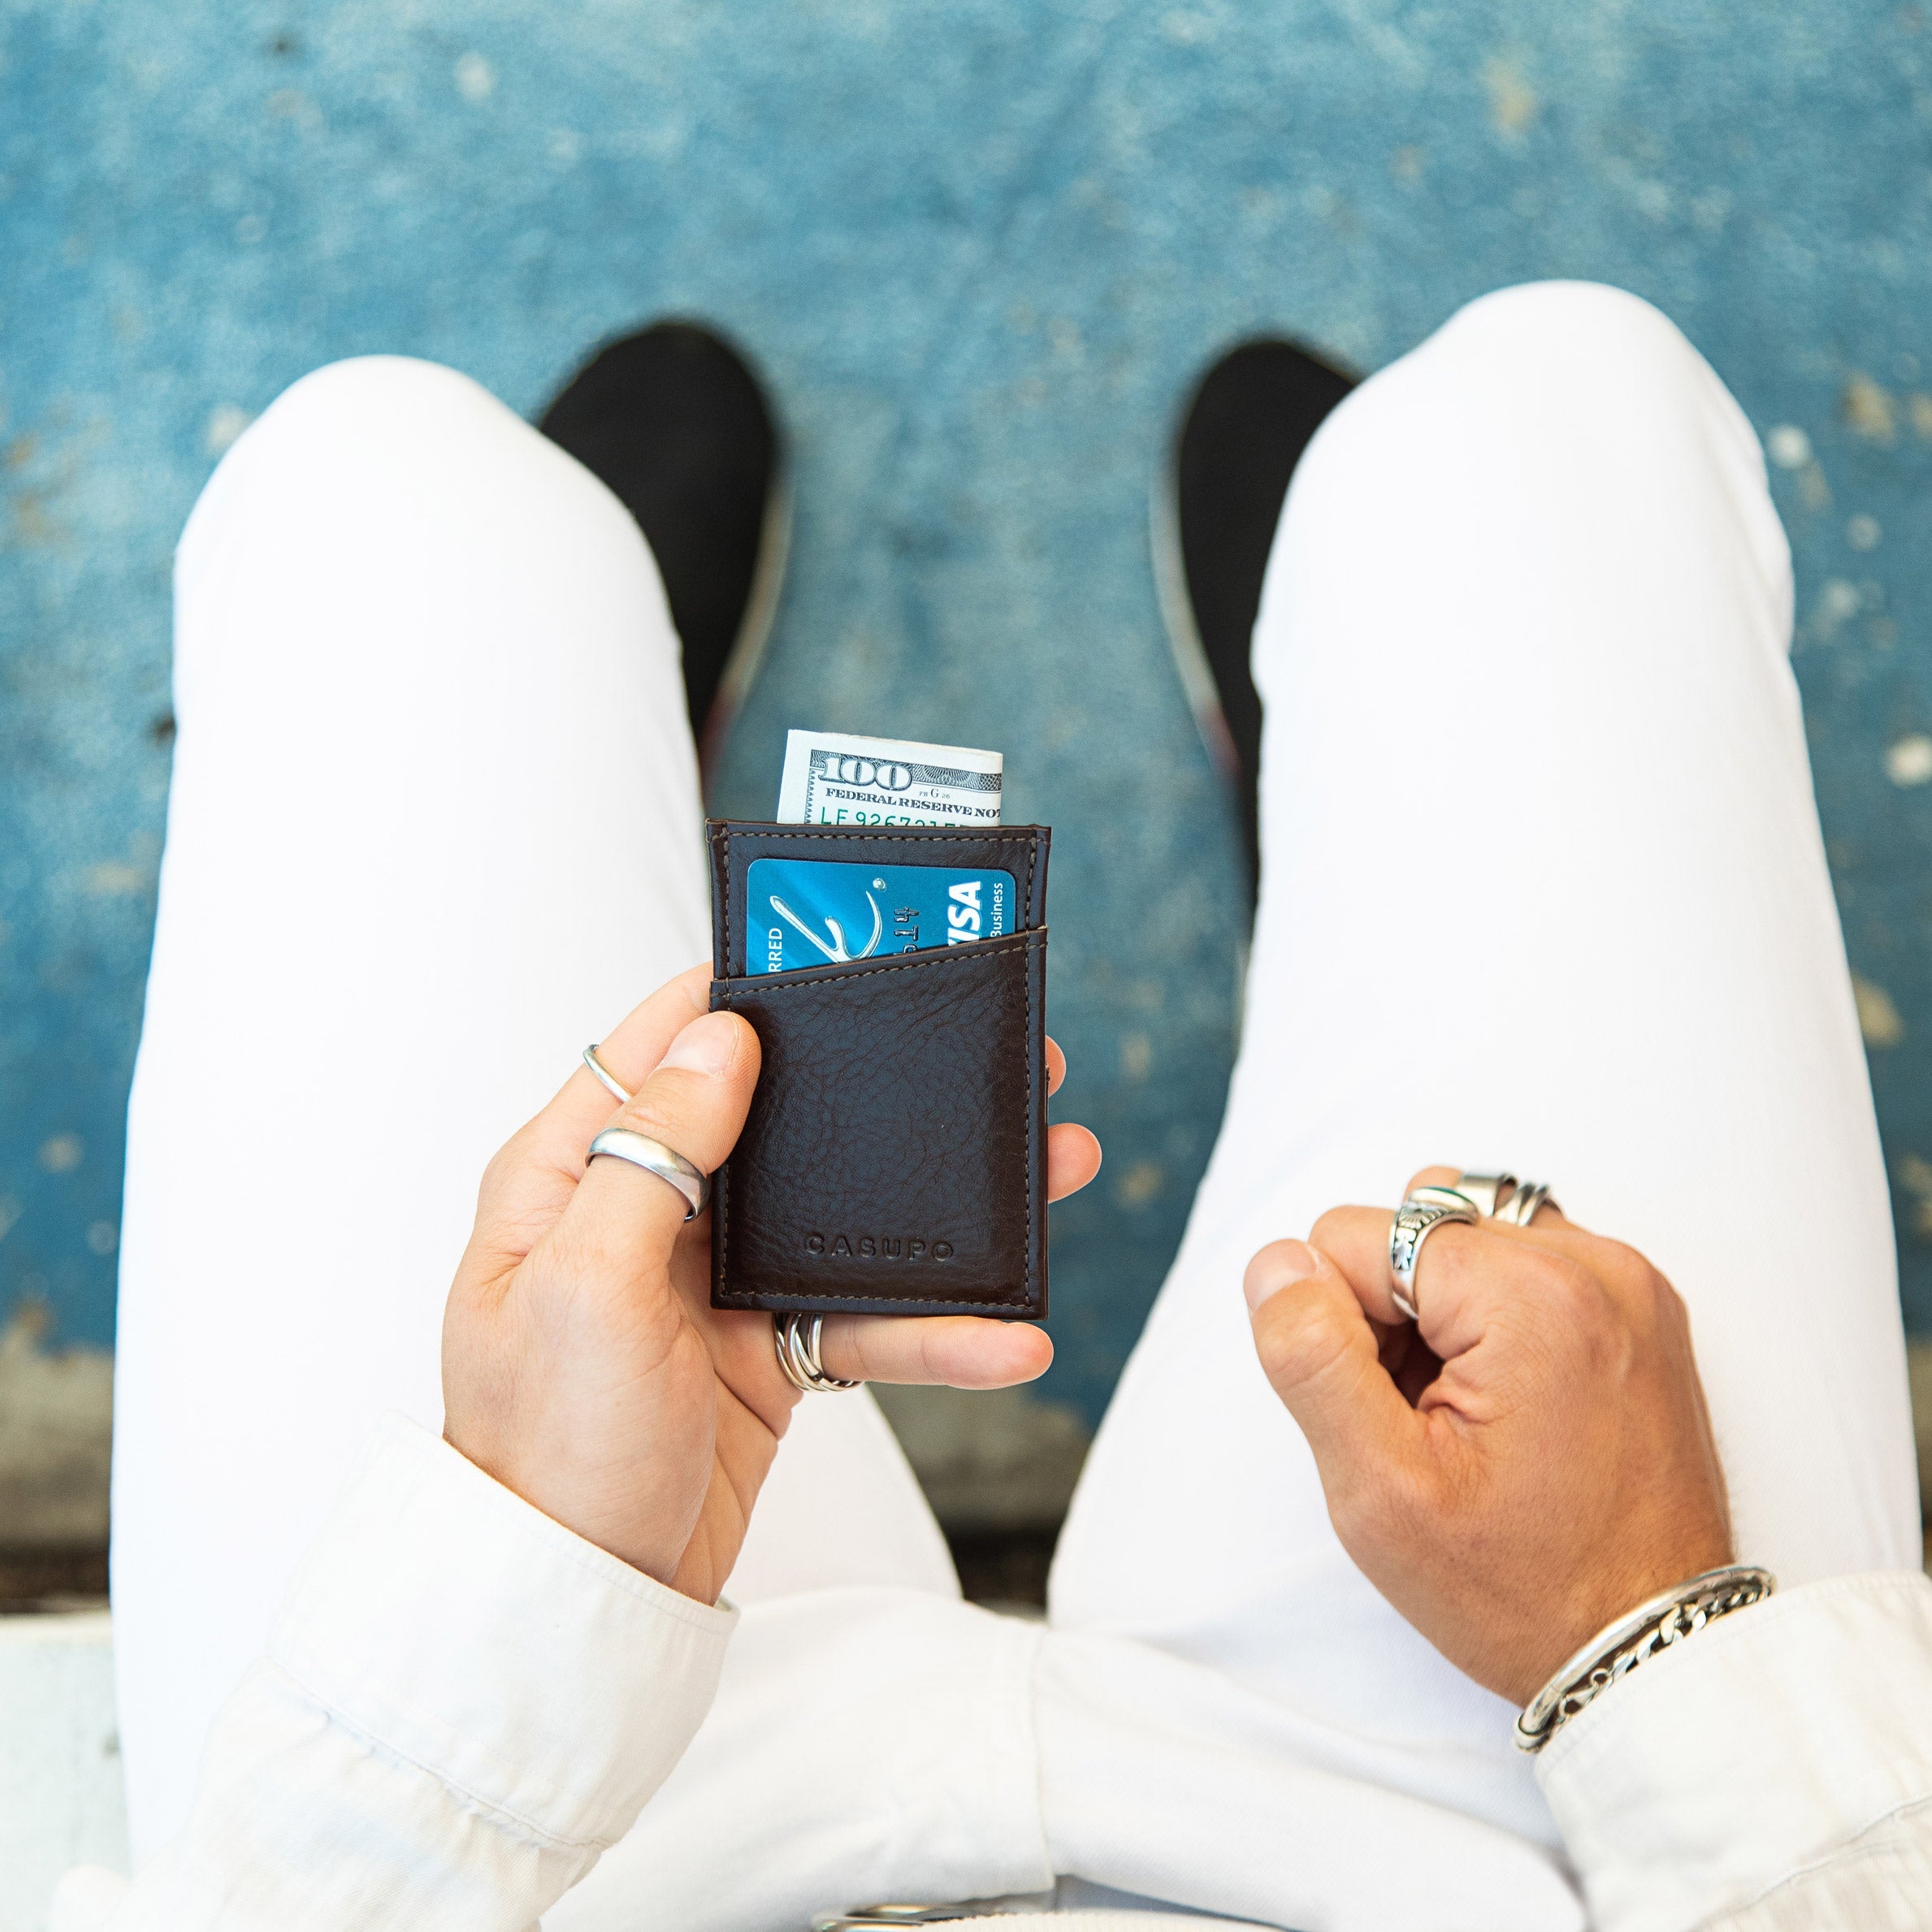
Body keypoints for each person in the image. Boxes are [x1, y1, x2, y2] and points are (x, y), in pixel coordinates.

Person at [56, 281, 1932, 1932]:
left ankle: (596, 717)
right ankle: (1364, 807)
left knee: (388, 499)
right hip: (1510, 1836)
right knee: (1539, 421)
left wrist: (483, 1695)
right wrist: (1654, 1656)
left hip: (584, 1853)